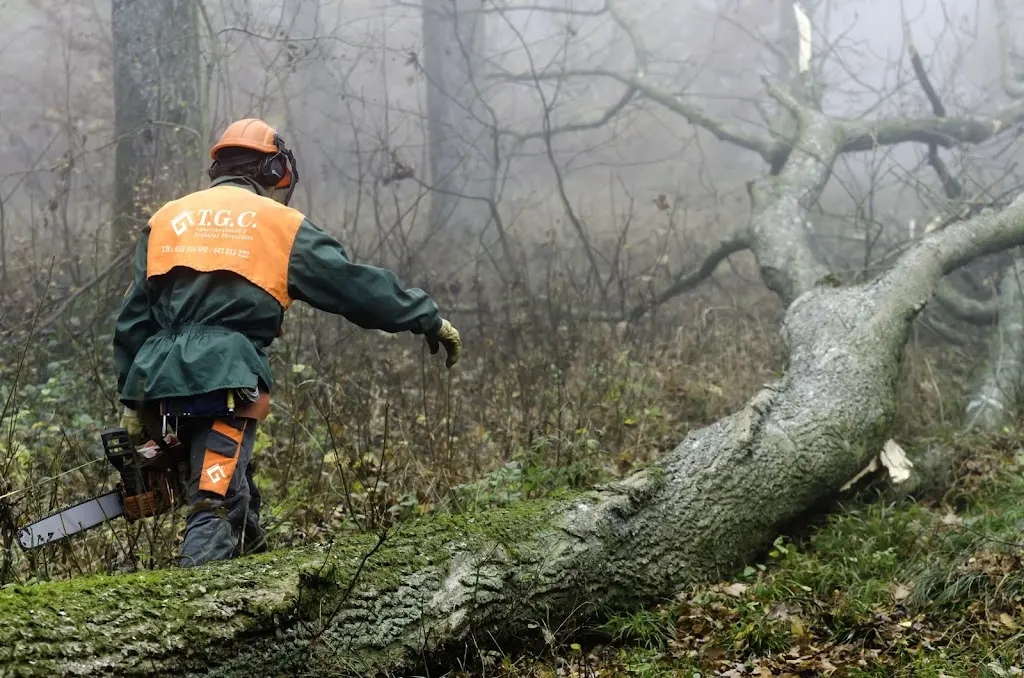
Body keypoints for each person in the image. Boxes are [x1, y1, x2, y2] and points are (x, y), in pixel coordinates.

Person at [112, 118, 461, 567]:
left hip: (161, 377)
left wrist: (132, 397)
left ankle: (258, 583)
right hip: (225, 378)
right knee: (215, 502)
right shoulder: (279, 224)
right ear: (273, 170)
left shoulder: (167, 218)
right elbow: (352, 286)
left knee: (233, 487)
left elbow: (135, 314)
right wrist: (424, 316)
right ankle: (188, 613)